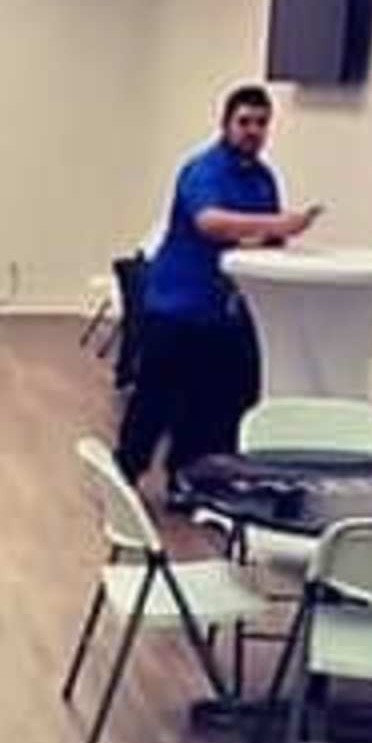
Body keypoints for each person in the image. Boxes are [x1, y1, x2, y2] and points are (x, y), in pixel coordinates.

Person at [119, 83, 315, 486]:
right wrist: (278, 224)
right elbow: (209, 222)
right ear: (226, 124)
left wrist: (276, 235)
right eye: (244, 122)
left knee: (209, 406)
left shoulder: (263, 179)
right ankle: (125, 473)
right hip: (178, 304)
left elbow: (265, 235)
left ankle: (187, 481)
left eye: (261, 123)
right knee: (155, 398)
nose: (253, 131)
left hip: (225, 312)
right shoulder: (204, 169)